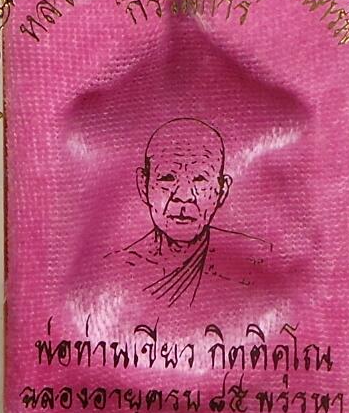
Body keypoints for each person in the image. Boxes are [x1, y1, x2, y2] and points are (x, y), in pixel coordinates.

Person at [105, 118, 272, 308]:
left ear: (222, 189)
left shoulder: (257, 262)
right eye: (167, 178)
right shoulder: (116, 270)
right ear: (144, 186)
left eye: (200, 179)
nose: (184, 196)